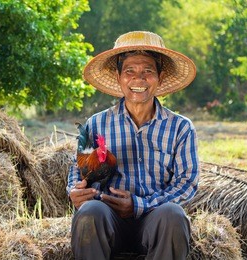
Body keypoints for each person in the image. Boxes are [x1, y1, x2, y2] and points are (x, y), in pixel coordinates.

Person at [66, 31, 200, 260]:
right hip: (107, 219)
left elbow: (186, 184)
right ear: (118, 76)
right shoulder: (97, 124)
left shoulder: (181, 128)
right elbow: (76, 172)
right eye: (130, 71)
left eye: (148, 71)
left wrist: (139, 205)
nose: (139, 79)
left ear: (160, 76)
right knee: (89, 212)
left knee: (173, 215)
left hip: (155, 220)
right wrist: (76, 192)